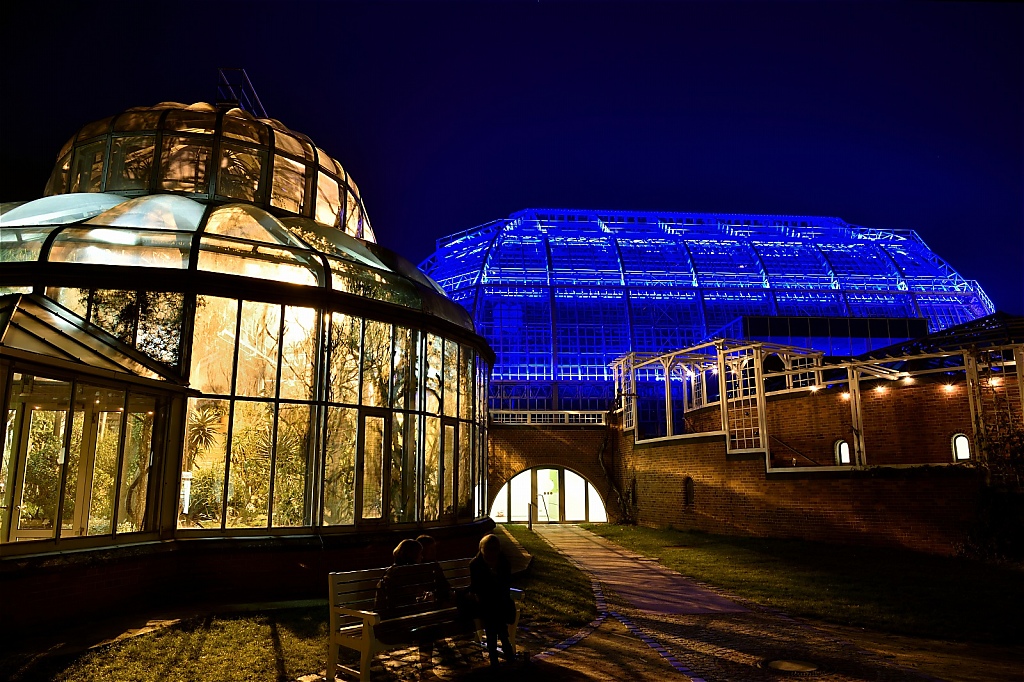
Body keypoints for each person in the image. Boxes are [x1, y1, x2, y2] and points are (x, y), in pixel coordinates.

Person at [374, 539, 446, 675]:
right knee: (429, 627)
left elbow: (407, 600)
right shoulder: (403, 573)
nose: (422, 557)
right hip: (390, 627)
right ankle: (427, 668)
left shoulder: (398, 570)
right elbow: (402, 603)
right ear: (412, 555)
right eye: (420, 554)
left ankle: (427, 667)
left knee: (430, 624)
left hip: (392, 621)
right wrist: (424, 601)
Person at [469, 534, 516, 666]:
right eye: (488, 549)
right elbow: (477, 588)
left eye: (494, 549)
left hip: (499, 603)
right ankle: (506, 652)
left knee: (495, 619)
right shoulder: (476, 564)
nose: (492, 553)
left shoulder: (504, 563)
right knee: (495, 619)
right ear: (481, 549)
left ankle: (495, 656)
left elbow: (505, 586)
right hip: (485, 602)